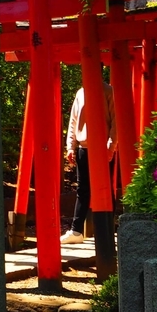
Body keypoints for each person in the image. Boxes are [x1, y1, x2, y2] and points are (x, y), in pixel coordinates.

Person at [61, 83, 115, 244]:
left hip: (103, 147)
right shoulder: (80, 93)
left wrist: (111, 146)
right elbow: (73, 120)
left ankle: (107, 229)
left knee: (105, 188)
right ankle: (76, 231)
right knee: (83, 188)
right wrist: (71, 146)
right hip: (84, 146)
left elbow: (116, 120)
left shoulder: (108, 91)